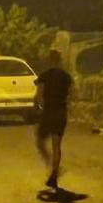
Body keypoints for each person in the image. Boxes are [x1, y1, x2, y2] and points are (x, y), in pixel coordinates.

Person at [34, 49, 73, 190]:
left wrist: (37, 108)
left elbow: (38, 95)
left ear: (49, 60)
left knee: (40, 142)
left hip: (48, 112)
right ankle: (54, 173)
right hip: (60, 112)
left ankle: (50, 165)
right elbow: (71, 95)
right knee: (57, 146)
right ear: (60, 60)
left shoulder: (44, 76)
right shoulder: (67, 77)